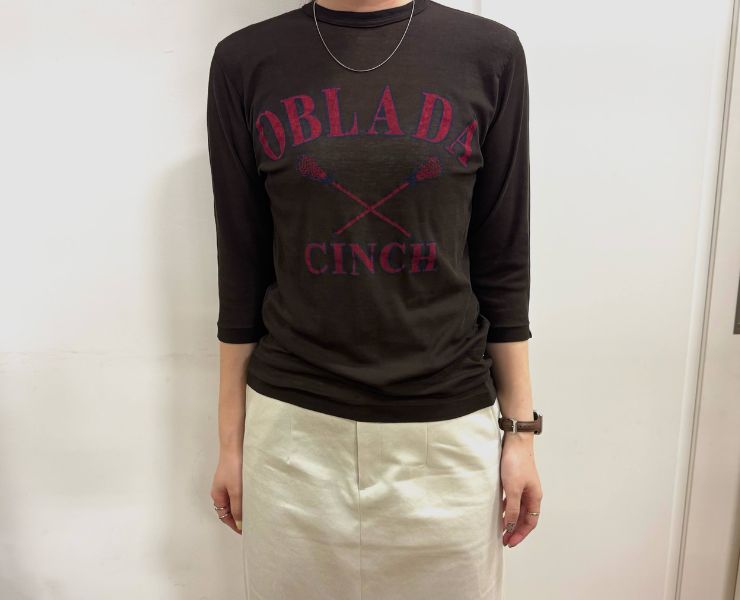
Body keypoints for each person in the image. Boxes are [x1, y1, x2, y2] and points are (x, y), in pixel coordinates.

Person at [206, 0, 543, 598]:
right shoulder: (245, 61)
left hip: (445, 439)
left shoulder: (488, 54)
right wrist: (231, 444)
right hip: (294, 439)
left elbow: (503, 262)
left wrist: (519, 434)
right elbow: (240, 272)